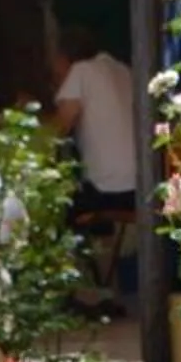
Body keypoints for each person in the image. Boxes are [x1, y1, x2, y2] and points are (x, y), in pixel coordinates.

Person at [46, 21, 140, 217]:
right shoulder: (123, 69)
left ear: (63, 59)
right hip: (139, 184)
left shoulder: (81, 71)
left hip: (106, 189)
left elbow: (58, 129)